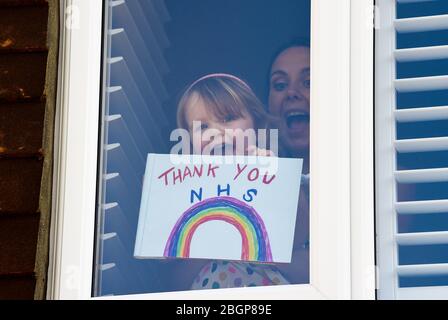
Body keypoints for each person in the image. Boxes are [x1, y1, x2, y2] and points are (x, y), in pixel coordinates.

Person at [172, 73, 289, 289]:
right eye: (202, 127)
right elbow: (175, 280)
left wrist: (276, 181)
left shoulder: (275, 169)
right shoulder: (187, 191)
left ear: (256, 123)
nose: (215, 132)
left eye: (227, 119)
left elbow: (301, 240)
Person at [267, 38, 311, 283]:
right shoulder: (249, 184)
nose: (292, 93)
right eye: (280, 85)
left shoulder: (381, 180)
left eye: (308, 82)